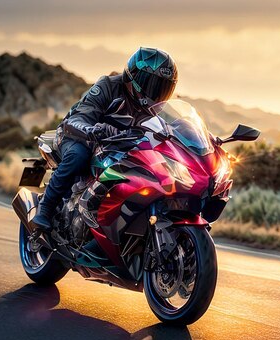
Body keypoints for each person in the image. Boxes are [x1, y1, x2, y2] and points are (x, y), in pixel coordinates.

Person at [32, 47, 178, 231]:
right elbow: (78, 117)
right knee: (79, 155)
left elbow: (174, 126)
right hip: (78, 135)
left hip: (119, 145)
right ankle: (45, 208)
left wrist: (202, 141)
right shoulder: (108, 86)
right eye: (152, 85)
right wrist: (92, 130)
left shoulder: (157, 107)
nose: (156, 93)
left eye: (163, 88)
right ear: (133, 76)